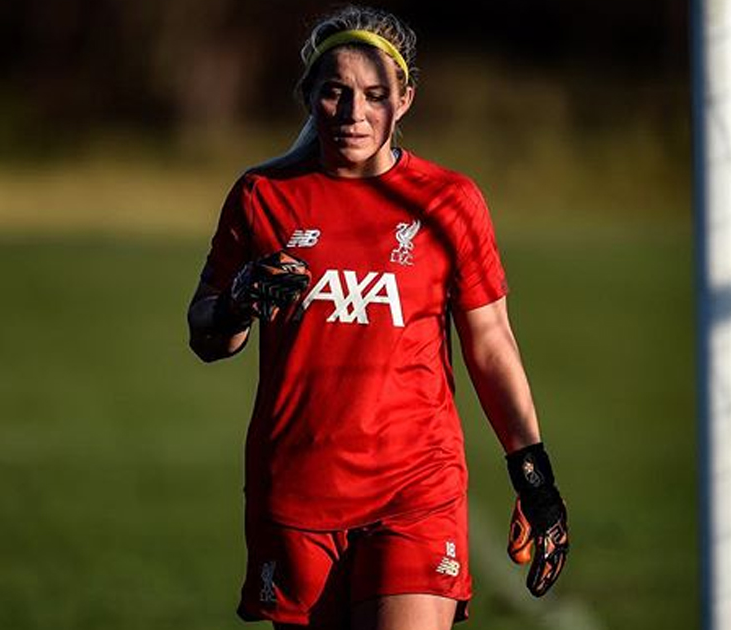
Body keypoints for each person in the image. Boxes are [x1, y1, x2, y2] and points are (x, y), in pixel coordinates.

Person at [186, 6, 569, 629]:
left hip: (416, 489)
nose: (354, 113)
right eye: (335, 92)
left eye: (374, 94)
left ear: (405, 99)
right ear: (308, 95)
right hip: (297, 491)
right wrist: (237, 299)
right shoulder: (262, 195)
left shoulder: (449, 201)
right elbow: (206, 335)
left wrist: (535, 477)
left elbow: (491, 343)